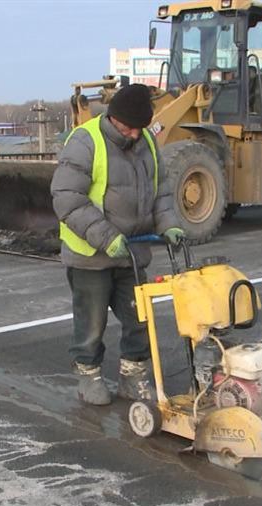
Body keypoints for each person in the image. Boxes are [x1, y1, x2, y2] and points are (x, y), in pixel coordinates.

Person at [51, 83, 185, 406]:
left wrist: (169, 225)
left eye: (140, 128)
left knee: (139, 318)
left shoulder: (147, 143)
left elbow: (161, 190)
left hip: (133, 252)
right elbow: (67, 199)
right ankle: (89, 375)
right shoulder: (85, 142)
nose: (135, 135)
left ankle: (133, 375)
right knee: (91, 322)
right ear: (113, 118)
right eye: (129, 128)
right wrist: (106, 237)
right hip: (91, 254)